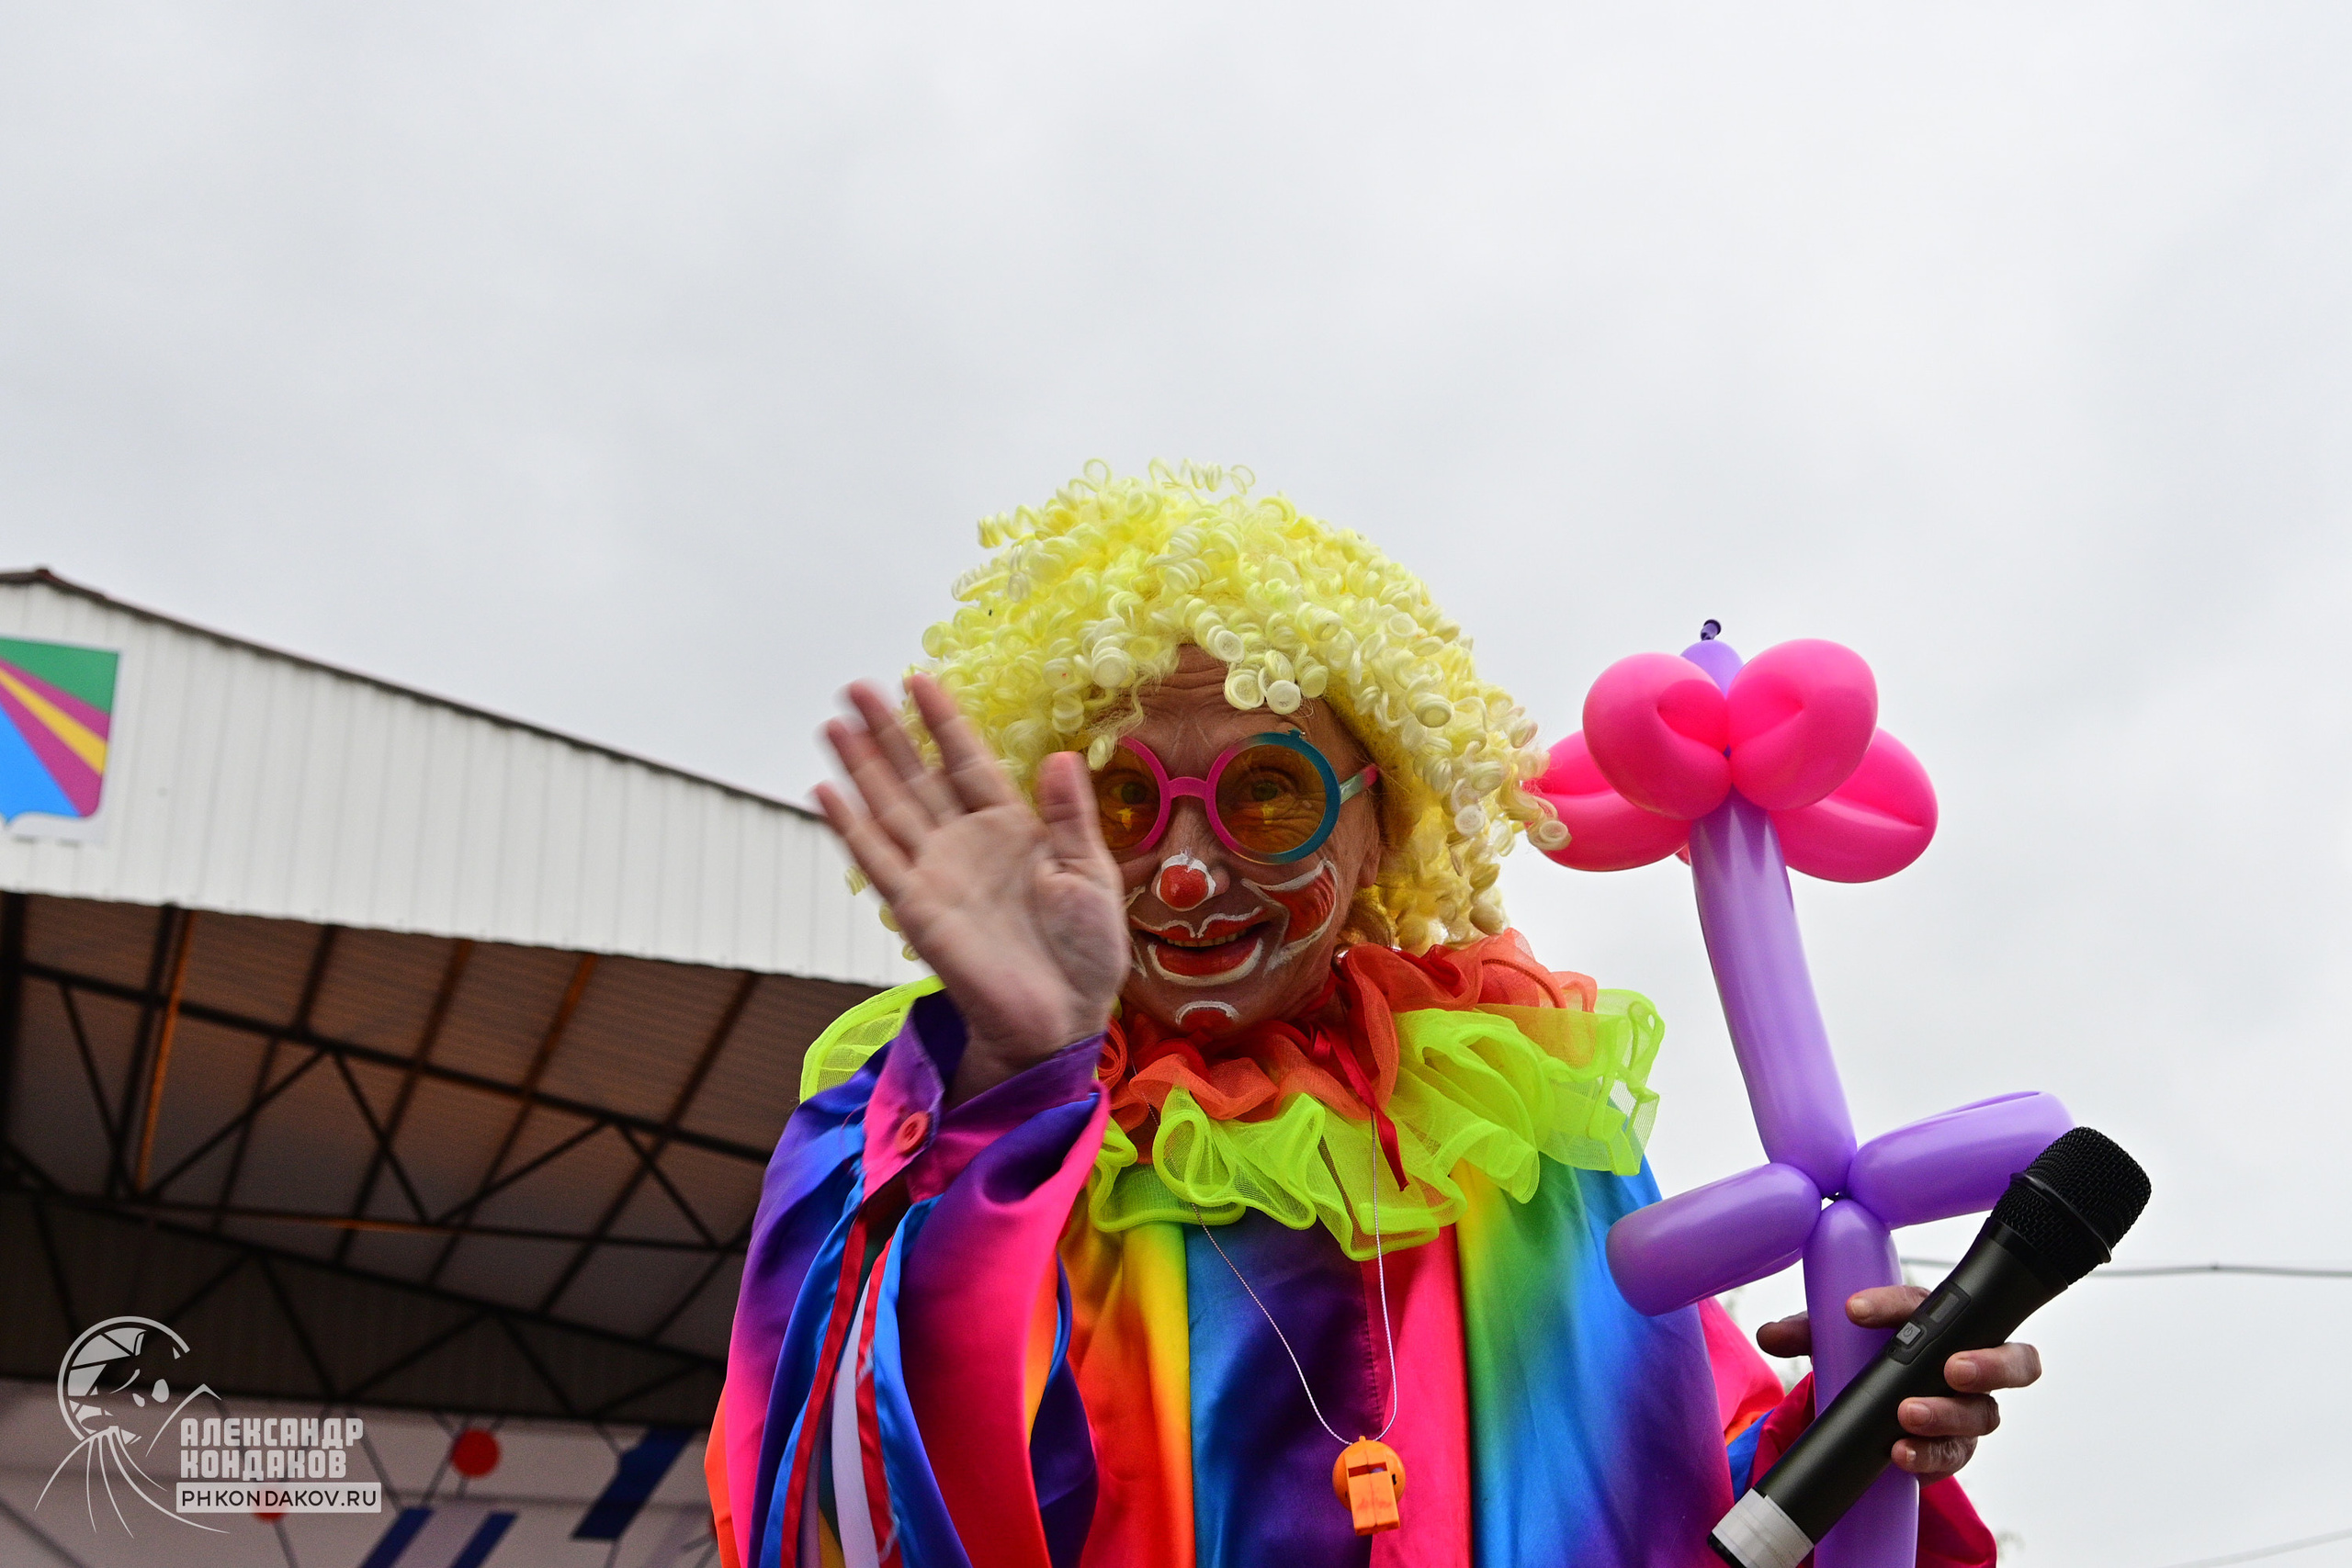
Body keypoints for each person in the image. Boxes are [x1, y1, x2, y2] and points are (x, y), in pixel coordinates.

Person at [708, 463, 2037, 1568]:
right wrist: (1010, 1085)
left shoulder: (1510, 1118)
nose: (1184, 872)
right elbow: (845, 1500)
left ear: (1380, 823)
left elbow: (1691, 1499)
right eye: (1123, 800)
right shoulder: (932, 1124)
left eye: (1268, 794)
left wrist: (1862, 1427)